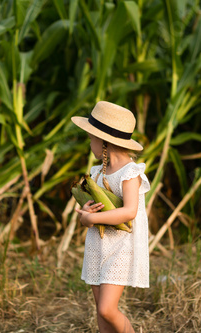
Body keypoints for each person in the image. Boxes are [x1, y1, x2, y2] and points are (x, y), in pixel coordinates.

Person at [71, 101, 150, 333]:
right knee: (100, 310)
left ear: (105, 142)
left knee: (107, 309)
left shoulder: (130, 173)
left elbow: (129, 212)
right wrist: (86, 212)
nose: (89, 142)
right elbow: (95, 210)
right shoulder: (97, 173)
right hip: (98, 245)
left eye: (91, 137)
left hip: (121, 248)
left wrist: (92, 220)